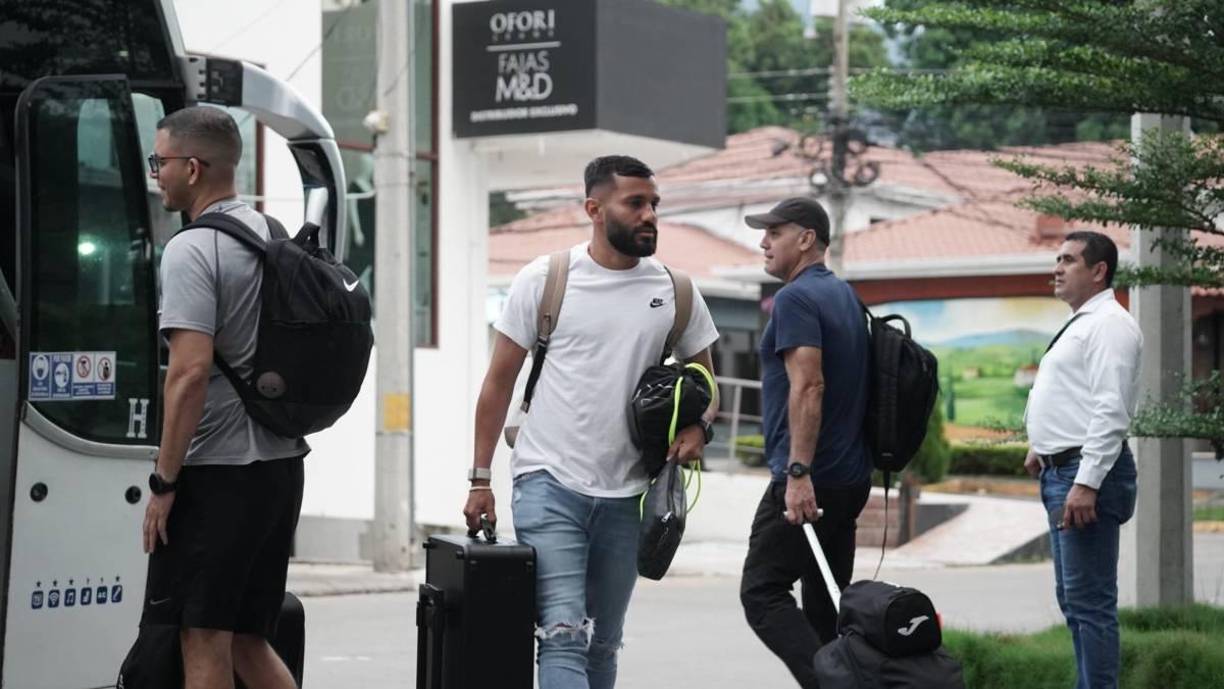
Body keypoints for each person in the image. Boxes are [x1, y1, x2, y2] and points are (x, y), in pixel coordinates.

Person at [463, 155, 720, 689]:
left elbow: (706, 387)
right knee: (561, 633)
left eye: (654, 204)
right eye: (636, 203)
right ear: (594, 209)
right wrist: (481, 478)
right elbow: (498, 384)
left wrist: (698, 430)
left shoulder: (677, 292)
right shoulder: (546, 279)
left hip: (630, 494)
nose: (650, 215)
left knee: (603, 641)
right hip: (547, 482)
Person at [141, 106, 307, 689]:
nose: (155, 173)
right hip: (281, 467)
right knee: (246, 638)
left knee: (202, 635)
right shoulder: (275, 236)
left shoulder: (192, 248)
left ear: (192, 166)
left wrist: (164, 483)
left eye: (159, 162)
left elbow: (187, 373)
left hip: (219, 474)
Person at [739, 197, 872, 689]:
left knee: (763, 592)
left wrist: (798, 473)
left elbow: (809, 384)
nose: (763, 242)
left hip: (809, 478)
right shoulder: (844, 295)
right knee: (825, 605)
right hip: (849, 477)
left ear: (807, 239)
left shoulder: (795, 299)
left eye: (774, 232)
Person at [1025, 231, 1141, 689]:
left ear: (1098, 271)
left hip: (1085, 477)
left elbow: (1112, 409)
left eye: (1069, 260)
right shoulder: (1085, 321)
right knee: (1074, 601)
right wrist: (1045, 445)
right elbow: (1080, 397)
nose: (1057, 268)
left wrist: (1087, 481)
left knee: (1090, 605)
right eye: (1057, 258)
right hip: (1063, 470)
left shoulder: (1109, 323)